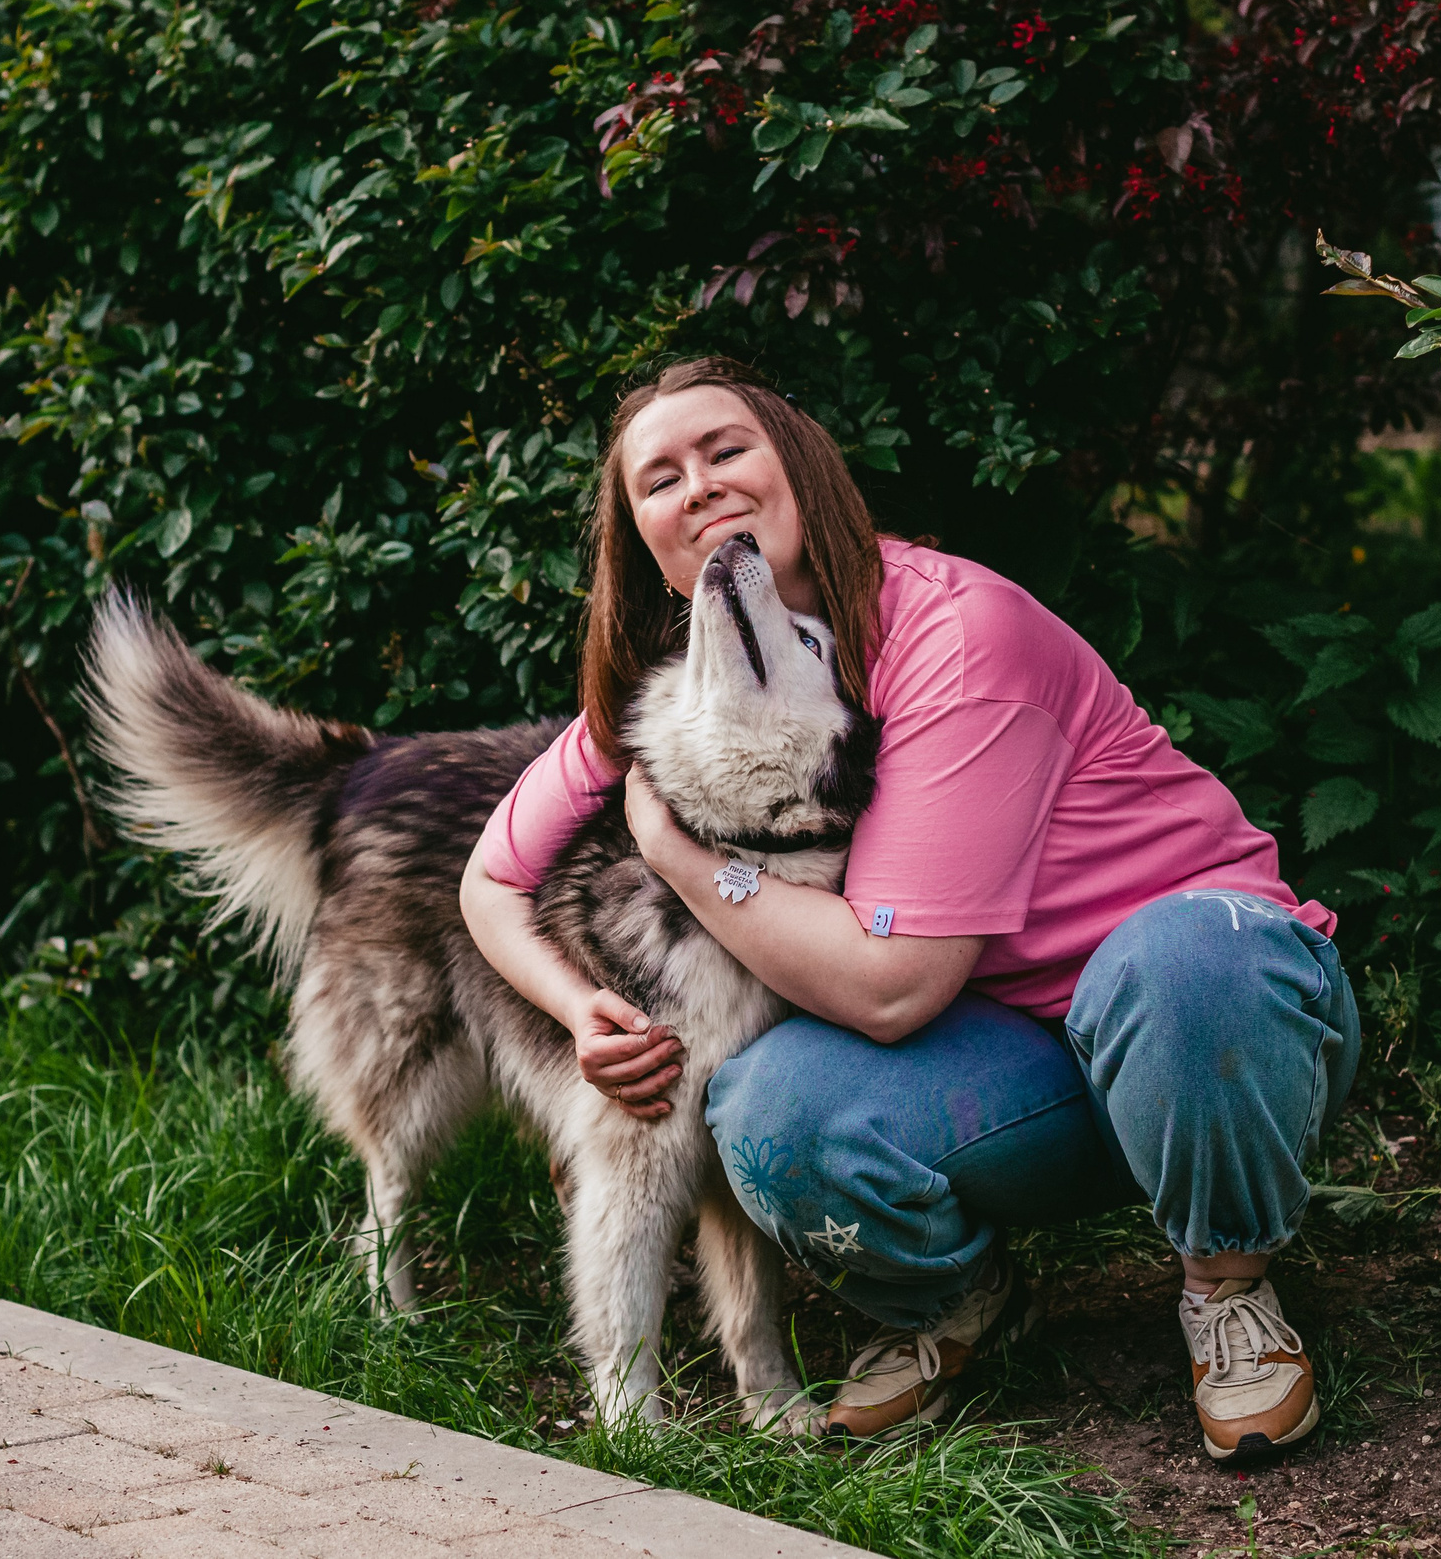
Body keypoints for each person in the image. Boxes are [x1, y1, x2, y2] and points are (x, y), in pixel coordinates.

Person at [457, 357, 1357, 1456]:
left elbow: (891, 989)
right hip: (1019, 1060)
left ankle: (1229, 1290)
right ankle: (963, 1302)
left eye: (725, 450)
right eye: (659, 478)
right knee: (767, 1105)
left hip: (1217, 1025)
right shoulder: (681, 680)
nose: (698, 486)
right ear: (642, 540)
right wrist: (580, 1011)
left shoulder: (953, 635)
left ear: (799, 459)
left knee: (1176, 963)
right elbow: (490, 884)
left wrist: (682, 858)